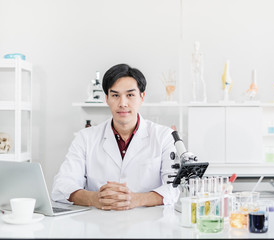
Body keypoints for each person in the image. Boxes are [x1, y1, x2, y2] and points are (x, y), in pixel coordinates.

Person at [51, 63, 179, 210]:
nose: (122, 103)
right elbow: (62, 186)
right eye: (115, 95)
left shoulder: (164, 136)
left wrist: (136, 199)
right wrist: (94, 198)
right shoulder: (85, 138)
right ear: (107, 98)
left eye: (130, 95)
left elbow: (174, 188)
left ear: (142, 97)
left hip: (149, 224)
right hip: (97, 224)